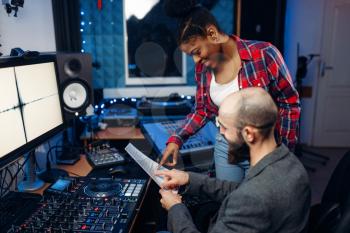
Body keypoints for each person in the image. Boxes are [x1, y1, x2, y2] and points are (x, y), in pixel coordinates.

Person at [160, 0, 300, 182]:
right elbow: (202, 111)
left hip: (263, 151)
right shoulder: (203, 69)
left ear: (212, 34)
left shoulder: (264, 54)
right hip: (225, 148)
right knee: (229, 202)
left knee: (258, 206)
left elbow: (289, 103)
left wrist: (284, 151)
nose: (195, 60)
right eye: (190, 55)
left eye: (197, 51)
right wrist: (176, 139)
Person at [155, 87, 310, 233]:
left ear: (249, 133)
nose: (220, 134)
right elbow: (241, 190)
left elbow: (249, 196)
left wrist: (176, 208)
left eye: (224, 128)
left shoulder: (253, 199)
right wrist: (189, 179)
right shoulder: (289, 162)